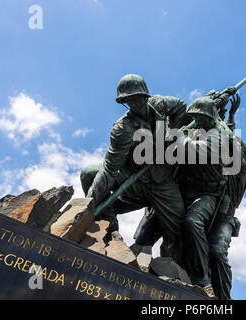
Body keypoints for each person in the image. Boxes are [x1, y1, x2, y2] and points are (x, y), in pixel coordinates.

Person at [80, 74, 188, 265]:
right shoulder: (123, 128)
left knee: (179, 226)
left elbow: (181, 106)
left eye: (136, 98)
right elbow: (109, 169)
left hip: (161, 181)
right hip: (133, 179)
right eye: (128, 100)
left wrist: (172, 133)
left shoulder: (162, 105)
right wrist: (88, 204)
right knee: (89, 173)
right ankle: (109, 227)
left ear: (145, 96)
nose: (133, 104)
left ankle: (177, 271)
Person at [177, 95, 246, 299]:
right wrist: (225, 109)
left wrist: (182, 138)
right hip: (203, 195)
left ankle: (223, 298)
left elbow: (218, 139)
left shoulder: (227, 156)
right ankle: (199, 278)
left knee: (217, 252)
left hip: (224, 212)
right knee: (188, 225)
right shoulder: (209, 133)